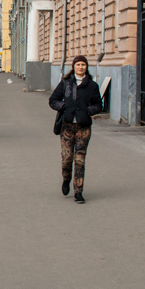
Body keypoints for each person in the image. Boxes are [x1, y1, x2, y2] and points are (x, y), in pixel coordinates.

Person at [48, 55, 104, 201]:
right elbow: (53, 100)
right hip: (67, 127)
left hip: (83, 128)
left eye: (83, 65)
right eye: (78, 64)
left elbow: (99, 105)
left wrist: (89, 111)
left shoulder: (92, 86)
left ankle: (78, 191)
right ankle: (66, 179)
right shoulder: (66, 83)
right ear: (73, 67)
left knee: (80, 159)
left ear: (86, 67)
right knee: (67, 158)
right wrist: (63, 106)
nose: (80, 67)